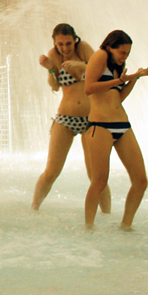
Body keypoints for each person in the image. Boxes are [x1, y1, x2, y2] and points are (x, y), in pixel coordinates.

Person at [33, 22, 111, 213]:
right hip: (66, 119)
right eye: (60, 44)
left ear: (75, 40)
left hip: (91, 119)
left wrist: (81, 64)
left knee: (95, 175)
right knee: (51, 171)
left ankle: (107, 216)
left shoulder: (83, 49)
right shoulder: (53, 55)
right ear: (55, 43)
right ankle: (33, 210)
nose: (65, 48)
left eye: (68, 43)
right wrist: (51, 69)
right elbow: (55, 86)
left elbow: (102, 71)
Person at [82, 29, 148, 231]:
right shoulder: (100, 56)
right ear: (110, 46)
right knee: (99, 181)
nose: (125, 56)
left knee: (141, 180)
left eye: (128, 53)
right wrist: (120, 80)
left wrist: (135, 78)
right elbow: (88, 88)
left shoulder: (118, 65)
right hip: (100, 126)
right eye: (122, 52)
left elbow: (118, 97)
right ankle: (88, 227)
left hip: (122, 124)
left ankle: (126, 226)